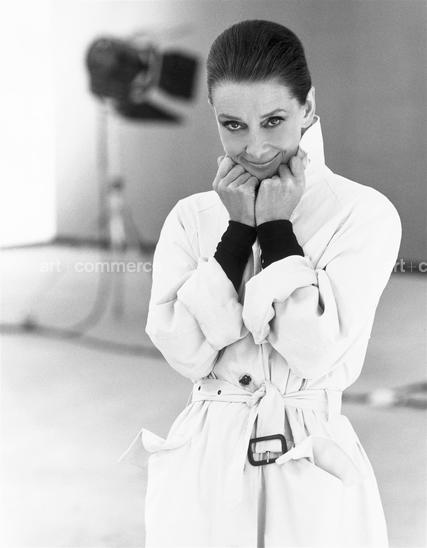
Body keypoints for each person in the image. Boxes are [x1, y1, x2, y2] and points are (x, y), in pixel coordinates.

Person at [119, 19, 402, 548]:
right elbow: (185, 352)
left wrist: (275, 230)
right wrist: (235, 233)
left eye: (273, 120)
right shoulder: (191, 217)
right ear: (214, 117)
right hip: (206, 461)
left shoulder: (363, 214)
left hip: (309, 457)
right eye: (233, 125)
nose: (255, 147)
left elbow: (314, 351)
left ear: (308, 107)